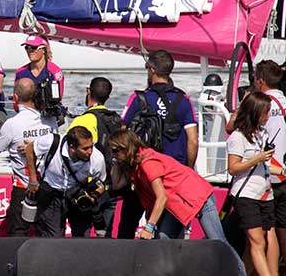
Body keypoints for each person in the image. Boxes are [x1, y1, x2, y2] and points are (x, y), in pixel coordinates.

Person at [108, 130, 246, 275]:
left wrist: (149, 227)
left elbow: (161, 198)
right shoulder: (134, 165)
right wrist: (116, 162)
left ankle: (240, 272)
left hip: (198, 196)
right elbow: (117, 184)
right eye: (113, 151)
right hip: (178, 204)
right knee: (163, 239)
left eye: (116, 150)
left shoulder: (148, 163)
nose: (115, 154)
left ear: (127, 147)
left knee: (218, 242)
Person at [119, 49, 198, 239]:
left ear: (152, 69)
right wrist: (187, 169)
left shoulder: (139, 99)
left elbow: (122, 133)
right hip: (173, 176)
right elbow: (193, 141)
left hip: (143, 173)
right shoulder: (184, 99)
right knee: (170, 231)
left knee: (128, 226)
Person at [228, 60, 286, 257]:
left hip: (265, 178)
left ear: (260, 81)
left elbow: (231, 127)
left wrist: (243, 104)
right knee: (276, 231)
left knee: (262, 237)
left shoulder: (257, 105)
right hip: (281, 173)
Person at [0, 78, 57, 236]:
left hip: (23, 187)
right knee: (47, 234)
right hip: (48, 187)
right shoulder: (50, 120)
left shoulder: (12, 124)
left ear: (15, 98)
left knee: (18, 234)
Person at [24, 126, 107, 237]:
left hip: (77, 196)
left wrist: (93, 197)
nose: (90, 152)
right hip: (52, 195)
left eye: (91, 146)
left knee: (83, 239)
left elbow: (101, 184)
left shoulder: (97, 159)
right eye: (85, 148)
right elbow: (29, 149)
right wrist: (33, 180)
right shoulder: (51, 142)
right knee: (53, 239)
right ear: (72, 148)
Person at [67, 77, 122, 237]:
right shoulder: (116, 119)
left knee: (81, 236)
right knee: (105, 237)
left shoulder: (84, 120)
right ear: (108, 97)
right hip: (111, 186)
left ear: (88, 92)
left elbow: (70, 151)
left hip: (89, 189)